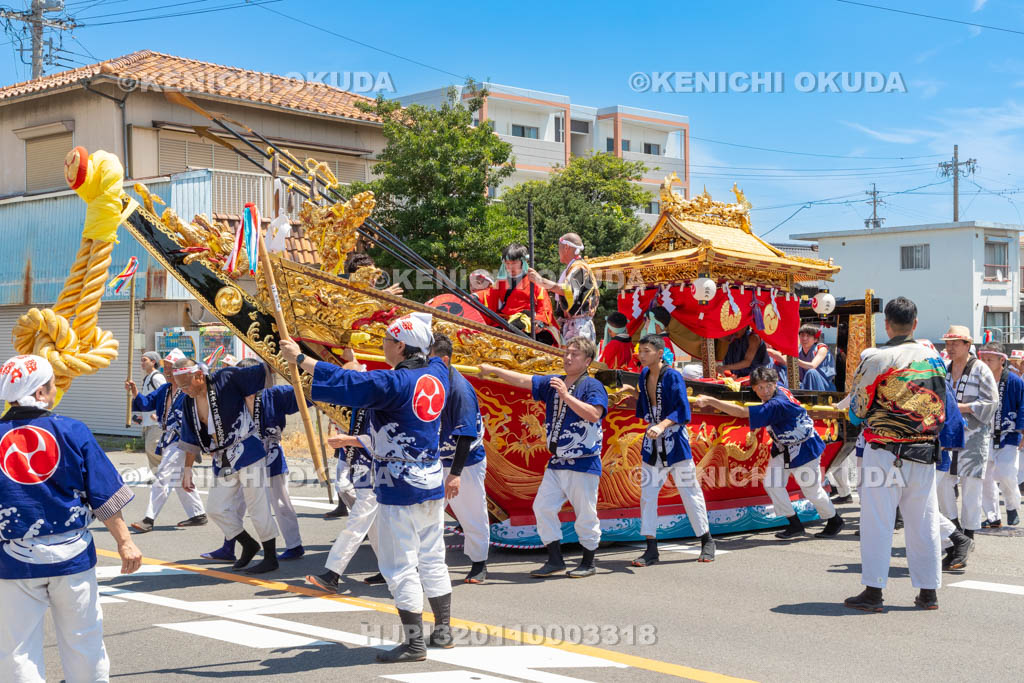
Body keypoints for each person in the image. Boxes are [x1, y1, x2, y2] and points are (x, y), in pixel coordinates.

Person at [281, 312, 455, 663]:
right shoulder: (438, 374)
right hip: (432, 479)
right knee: (433, 557)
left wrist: (301, 359)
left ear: (401, 346)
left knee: (400, 564)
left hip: (399, 484)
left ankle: (414, 644)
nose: (383, 346)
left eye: (388, 341)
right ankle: (444, 630)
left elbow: (349, 383)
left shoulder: (394, 384)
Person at [0, 354, 142, 682]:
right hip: (72, 555)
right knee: (84, 641)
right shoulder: (71, 430)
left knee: (16, 650)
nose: (55, 390)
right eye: (52, 385)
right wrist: (125, 543)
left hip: (14, 559)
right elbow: (103, 492)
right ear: (39, 393)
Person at [842, 297, 947, 612]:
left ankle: (874, 592)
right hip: (925, 450)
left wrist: (856, 417)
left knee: (878, 521)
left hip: (885, 452)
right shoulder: (935, 359)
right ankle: (928, 593)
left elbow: (857, 410)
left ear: (887, 324)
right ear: (915, 323)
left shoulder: (878, 358)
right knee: (924, 522)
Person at [479, 337, 608, 579]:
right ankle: (555, 559)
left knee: (586, 513)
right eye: (567, 352)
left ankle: (588, 562)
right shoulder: (555, 381)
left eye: (575, 354)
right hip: (557, 461)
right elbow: (524, 380)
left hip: (583, 462)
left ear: (588, 361)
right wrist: (494, 370)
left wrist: (567, 397)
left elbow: (594, 414)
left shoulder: (592, 386)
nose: (568, 358)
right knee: (542, 507)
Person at [694, 366, 843, 540]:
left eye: (768, 386)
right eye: (760, 387)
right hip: (784, 448)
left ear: (775, 384)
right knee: (772, 483)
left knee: (812, 490)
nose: (765, 391)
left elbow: (742, 413)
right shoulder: (780, 391)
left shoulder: (777, 403)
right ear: (754, 388)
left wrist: (712, 400)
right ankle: (794, 524)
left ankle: (834, 520)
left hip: (804, 449)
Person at [177, 358, 281, 575]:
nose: (183, 390)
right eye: (180, 386)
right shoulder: (189, 401)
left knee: (256, 504)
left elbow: (262, 371)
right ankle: (248, 544)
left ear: (198, 376)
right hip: (222, 458)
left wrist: (276, 356)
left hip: (247, 449)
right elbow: (190, 439)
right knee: (216, 508)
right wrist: (187, 471)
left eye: (186, 385)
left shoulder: (226, 378)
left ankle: (270, 557)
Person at [632, 334, 715, 566]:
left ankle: (707, 540)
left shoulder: (673, 376)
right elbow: (645, 406)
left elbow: (682, 410)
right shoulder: (644, 375)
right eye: (640, 350)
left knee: (690, 491)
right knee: (648, 494)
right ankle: (651, 549)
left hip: (675, 442)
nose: (641, 354)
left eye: (646, 350)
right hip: (653, 442)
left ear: (660, 353)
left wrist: (662, 425)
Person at [429, 333, 491, 584]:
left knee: (472, 513)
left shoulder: (460, 390)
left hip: (465, 463)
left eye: (430, 360)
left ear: (444, 360)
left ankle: (479, 564)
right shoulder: (431, 382)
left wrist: (455, 474)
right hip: (434, 461)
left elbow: (466, 435)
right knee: (424, 515)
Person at [125, 348, 207, 532]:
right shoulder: (165, 389)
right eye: (167, 367)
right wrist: (135, 392)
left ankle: (149, 518)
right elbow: (146, 404)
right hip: (169, 438)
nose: (168, 372)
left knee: (163, 476)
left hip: (182, 438)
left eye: (172, 368)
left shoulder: (190, 391)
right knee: (176, 478)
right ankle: (198, 514)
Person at [238, 359, 306, 559]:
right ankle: (230, 543)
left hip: (271, 454)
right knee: (236, 504)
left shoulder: (275, 395)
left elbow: (305, 395)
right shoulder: (233, 400)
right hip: (245, 459)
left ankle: (294, 545)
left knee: (280, 502)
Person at [942, 325, 998, 540]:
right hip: (948, 433)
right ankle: (953, 526)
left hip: (974, 435)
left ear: (968, 345)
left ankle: (969, 532)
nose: (950, 347)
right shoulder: (945, 368)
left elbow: (991, 402)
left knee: (971, 485)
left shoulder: (980, 369)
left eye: (955, 343)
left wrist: (960, 407)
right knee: (944, 480)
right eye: (948, 343)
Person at [977, 342, 1023, 527]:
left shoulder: (1014, 381)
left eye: (990, 359)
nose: (985, 362)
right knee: (985, 477)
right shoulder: (979, 379)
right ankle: (993, 516)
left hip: (1008, 434)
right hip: (983, 435)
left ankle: (1012, 506)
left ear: (1001, 360)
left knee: (1006, 473)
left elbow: (1022, 406)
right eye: (984, 359)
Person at [527, 233, 600, 343]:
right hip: (572, 323)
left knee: (576, 358)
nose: (558, 252)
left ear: (566, 247)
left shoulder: (579, 267)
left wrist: (540, 281)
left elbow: (568, 290)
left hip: (578, 326)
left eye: (559, 248)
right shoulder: (573, 267)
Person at [488, 243, 557, 332]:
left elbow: (544, 306)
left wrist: (540, 322)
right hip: (504, 321)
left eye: (514, 263)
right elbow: (488, 297)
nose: (510, 267)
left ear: (523, 262)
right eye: (507, 263)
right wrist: (475, 296)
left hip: (527, 321)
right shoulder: (500, 282)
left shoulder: (534, 281)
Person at [138, 350, 167, 474]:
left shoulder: (157, 377)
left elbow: (166, 396)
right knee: (150, 449)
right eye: (141, 360)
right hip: (148, 421)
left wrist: (161, 414)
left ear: (153, 362)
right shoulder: (147, 378)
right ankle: (159, 475)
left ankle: (167, 471)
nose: (142, 363)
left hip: (157, 421)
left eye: (145, 360)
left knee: (152, 448)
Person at [795, 324, 837, 391]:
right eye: (802, 335)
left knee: (812, 372)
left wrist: (794, 361)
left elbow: (812, 366)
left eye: (808, 336)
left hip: (824, 386)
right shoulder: (798, 350)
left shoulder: (821, 348)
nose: (804, 338)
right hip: (805, 385)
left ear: (815, 339)